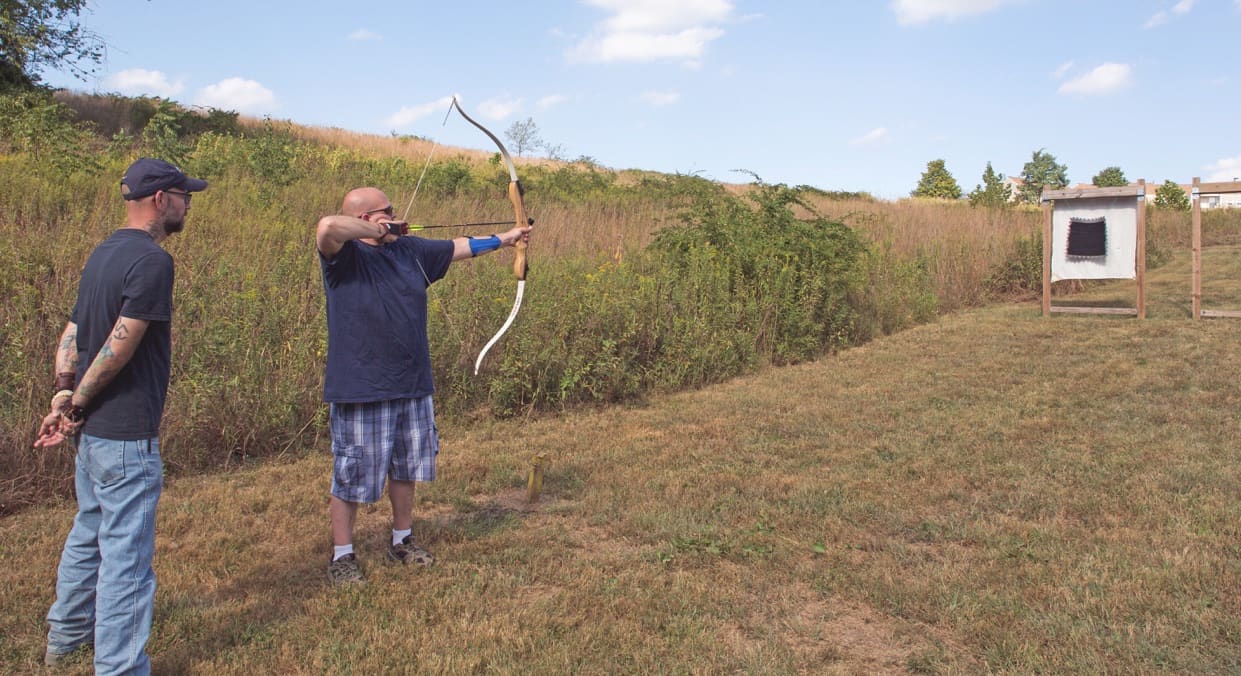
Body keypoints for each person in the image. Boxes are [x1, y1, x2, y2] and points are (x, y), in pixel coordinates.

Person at [34, 158, 207, 672]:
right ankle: (120, 667)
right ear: (160, 200)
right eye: (182, 194)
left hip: (92, 435)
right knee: (126, 561)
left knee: (88, 531)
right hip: (125, 433)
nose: (188, 202)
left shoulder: (103, 252)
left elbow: (73, 330)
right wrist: (78, 402)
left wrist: (64, 395)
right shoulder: (153, 261)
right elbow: (121, 339)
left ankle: (64, 640)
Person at [316, 187, 531, 585]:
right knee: (351, 473)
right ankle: (342, 555)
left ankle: (403, 539)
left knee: (405, 467)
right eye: (387, 211)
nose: (398, 215)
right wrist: (379, 232)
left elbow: (459, 246)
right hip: (362, 386)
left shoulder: (410, 251)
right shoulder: (344, 258)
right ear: (367, 219)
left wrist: (508, 238)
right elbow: (328, 226)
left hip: (412, 382)